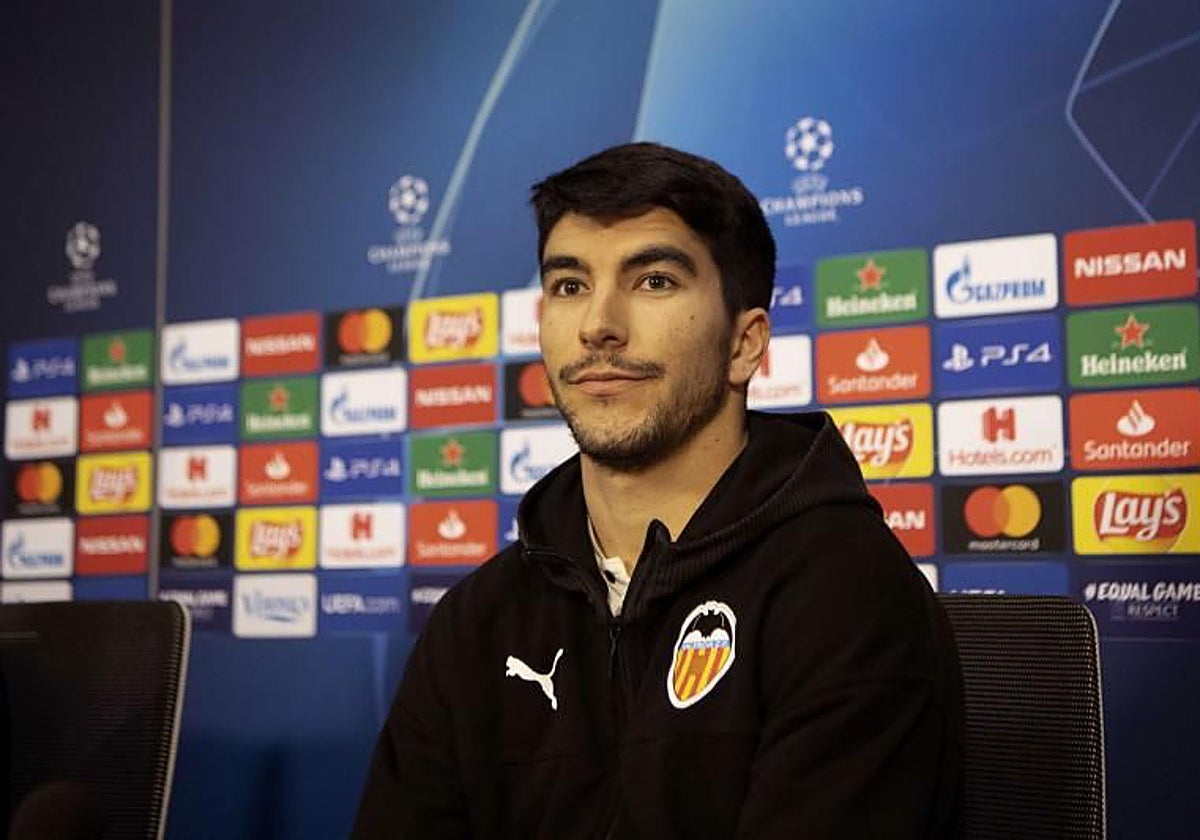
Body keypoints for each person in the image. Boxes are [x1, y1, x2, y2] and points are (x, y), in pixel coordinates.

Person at [353, 142, 963, 838]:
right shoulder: (478, 619)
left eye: (654, 282)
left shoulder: (846, 593)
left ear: (745, 344)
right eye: (570, 285)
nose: (598, 325)